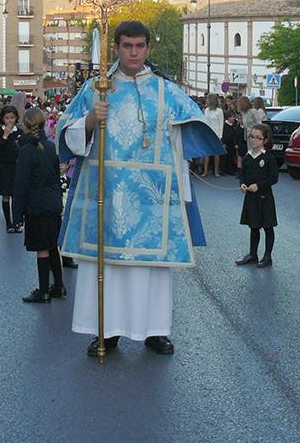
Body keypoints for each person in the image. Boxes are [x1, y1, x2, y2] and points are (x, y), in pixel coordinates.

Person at [56, 20, 224, 357]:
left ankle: (155, 331)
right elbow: (64, 130)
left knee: (152, 270)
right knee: (109, 267)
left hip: (153, 199)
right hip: (107, 194)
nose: (134, 52)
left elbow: (191, 132)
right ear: (116, 48)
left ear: (148, 48)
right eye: (127, 46)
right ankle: (107, 330)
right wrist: (90, 119)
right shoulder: (96, 88)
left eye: (140, 46)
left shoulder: (166, 91)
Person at [13, 107, 66, 303]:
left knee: (42, 248)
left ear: (25, 125)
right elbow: (55, 175)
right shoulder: (51, 147)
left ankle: (43, 290)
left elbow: (21, 185)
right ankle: (58, 286)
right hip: (52, 203)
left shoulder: (26, 150)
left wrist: (16, 215)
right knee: (52, 246)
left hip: (36, 205)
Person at [236, 124, 279, 268]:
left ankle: (267, 256)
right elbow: (242, 173)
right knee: (253, 226)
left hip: (264, 197)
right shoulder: (248, 156)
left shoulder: (268, 157)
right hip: (251, 197)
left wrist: (258, 186)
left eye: (258, 138)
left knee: (267, 226)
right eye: (251, 137)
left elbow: (274, 178)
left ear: (265, 141)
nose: (253, 140)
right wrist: (242, 184)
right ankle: (252, 254)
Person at [0, 105, 22, 232]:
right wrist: (5, 136)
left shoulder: (19, 132)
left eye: (12, 118)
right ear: (2, 118)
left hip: (17, 166)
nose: (10, 121)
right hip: (5, 166)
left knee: (17, 196)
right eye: (7, 118)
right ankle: (8, 223)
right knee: (6, 195)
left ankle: (17, 222)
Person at [201, 93, 224, 177]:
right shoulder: (206, 110)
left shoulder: (219, 111)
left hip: (216, 134)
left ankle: (216, 171)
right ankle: (205, 171)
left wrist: (220, 136)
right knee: (206, 153)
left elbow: (221, 124)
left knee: (216, 153)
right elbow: (204, 122)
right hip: (207, 133)